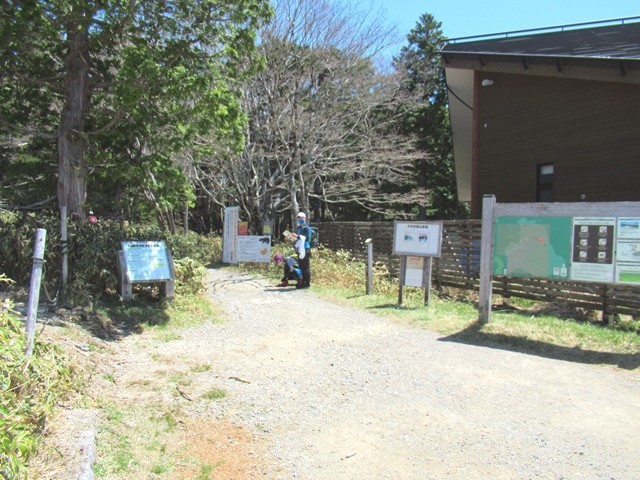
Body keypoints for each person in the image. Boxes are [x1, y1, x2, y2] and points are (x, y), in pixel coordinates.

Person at [295, 211, 311, 288]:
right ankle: (302, 281)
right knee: (301, 266)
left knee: (305, 266)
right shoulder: (298, 228)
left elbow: (307, 238)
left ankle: (307, 283)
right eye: (298, 217)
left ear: (304, 218)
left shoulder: (306, 227)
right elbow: (296, 239)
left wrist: (297, 236)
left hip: (305, 248)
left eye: (301, 217)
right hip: (299, 249)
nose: (299, 219)